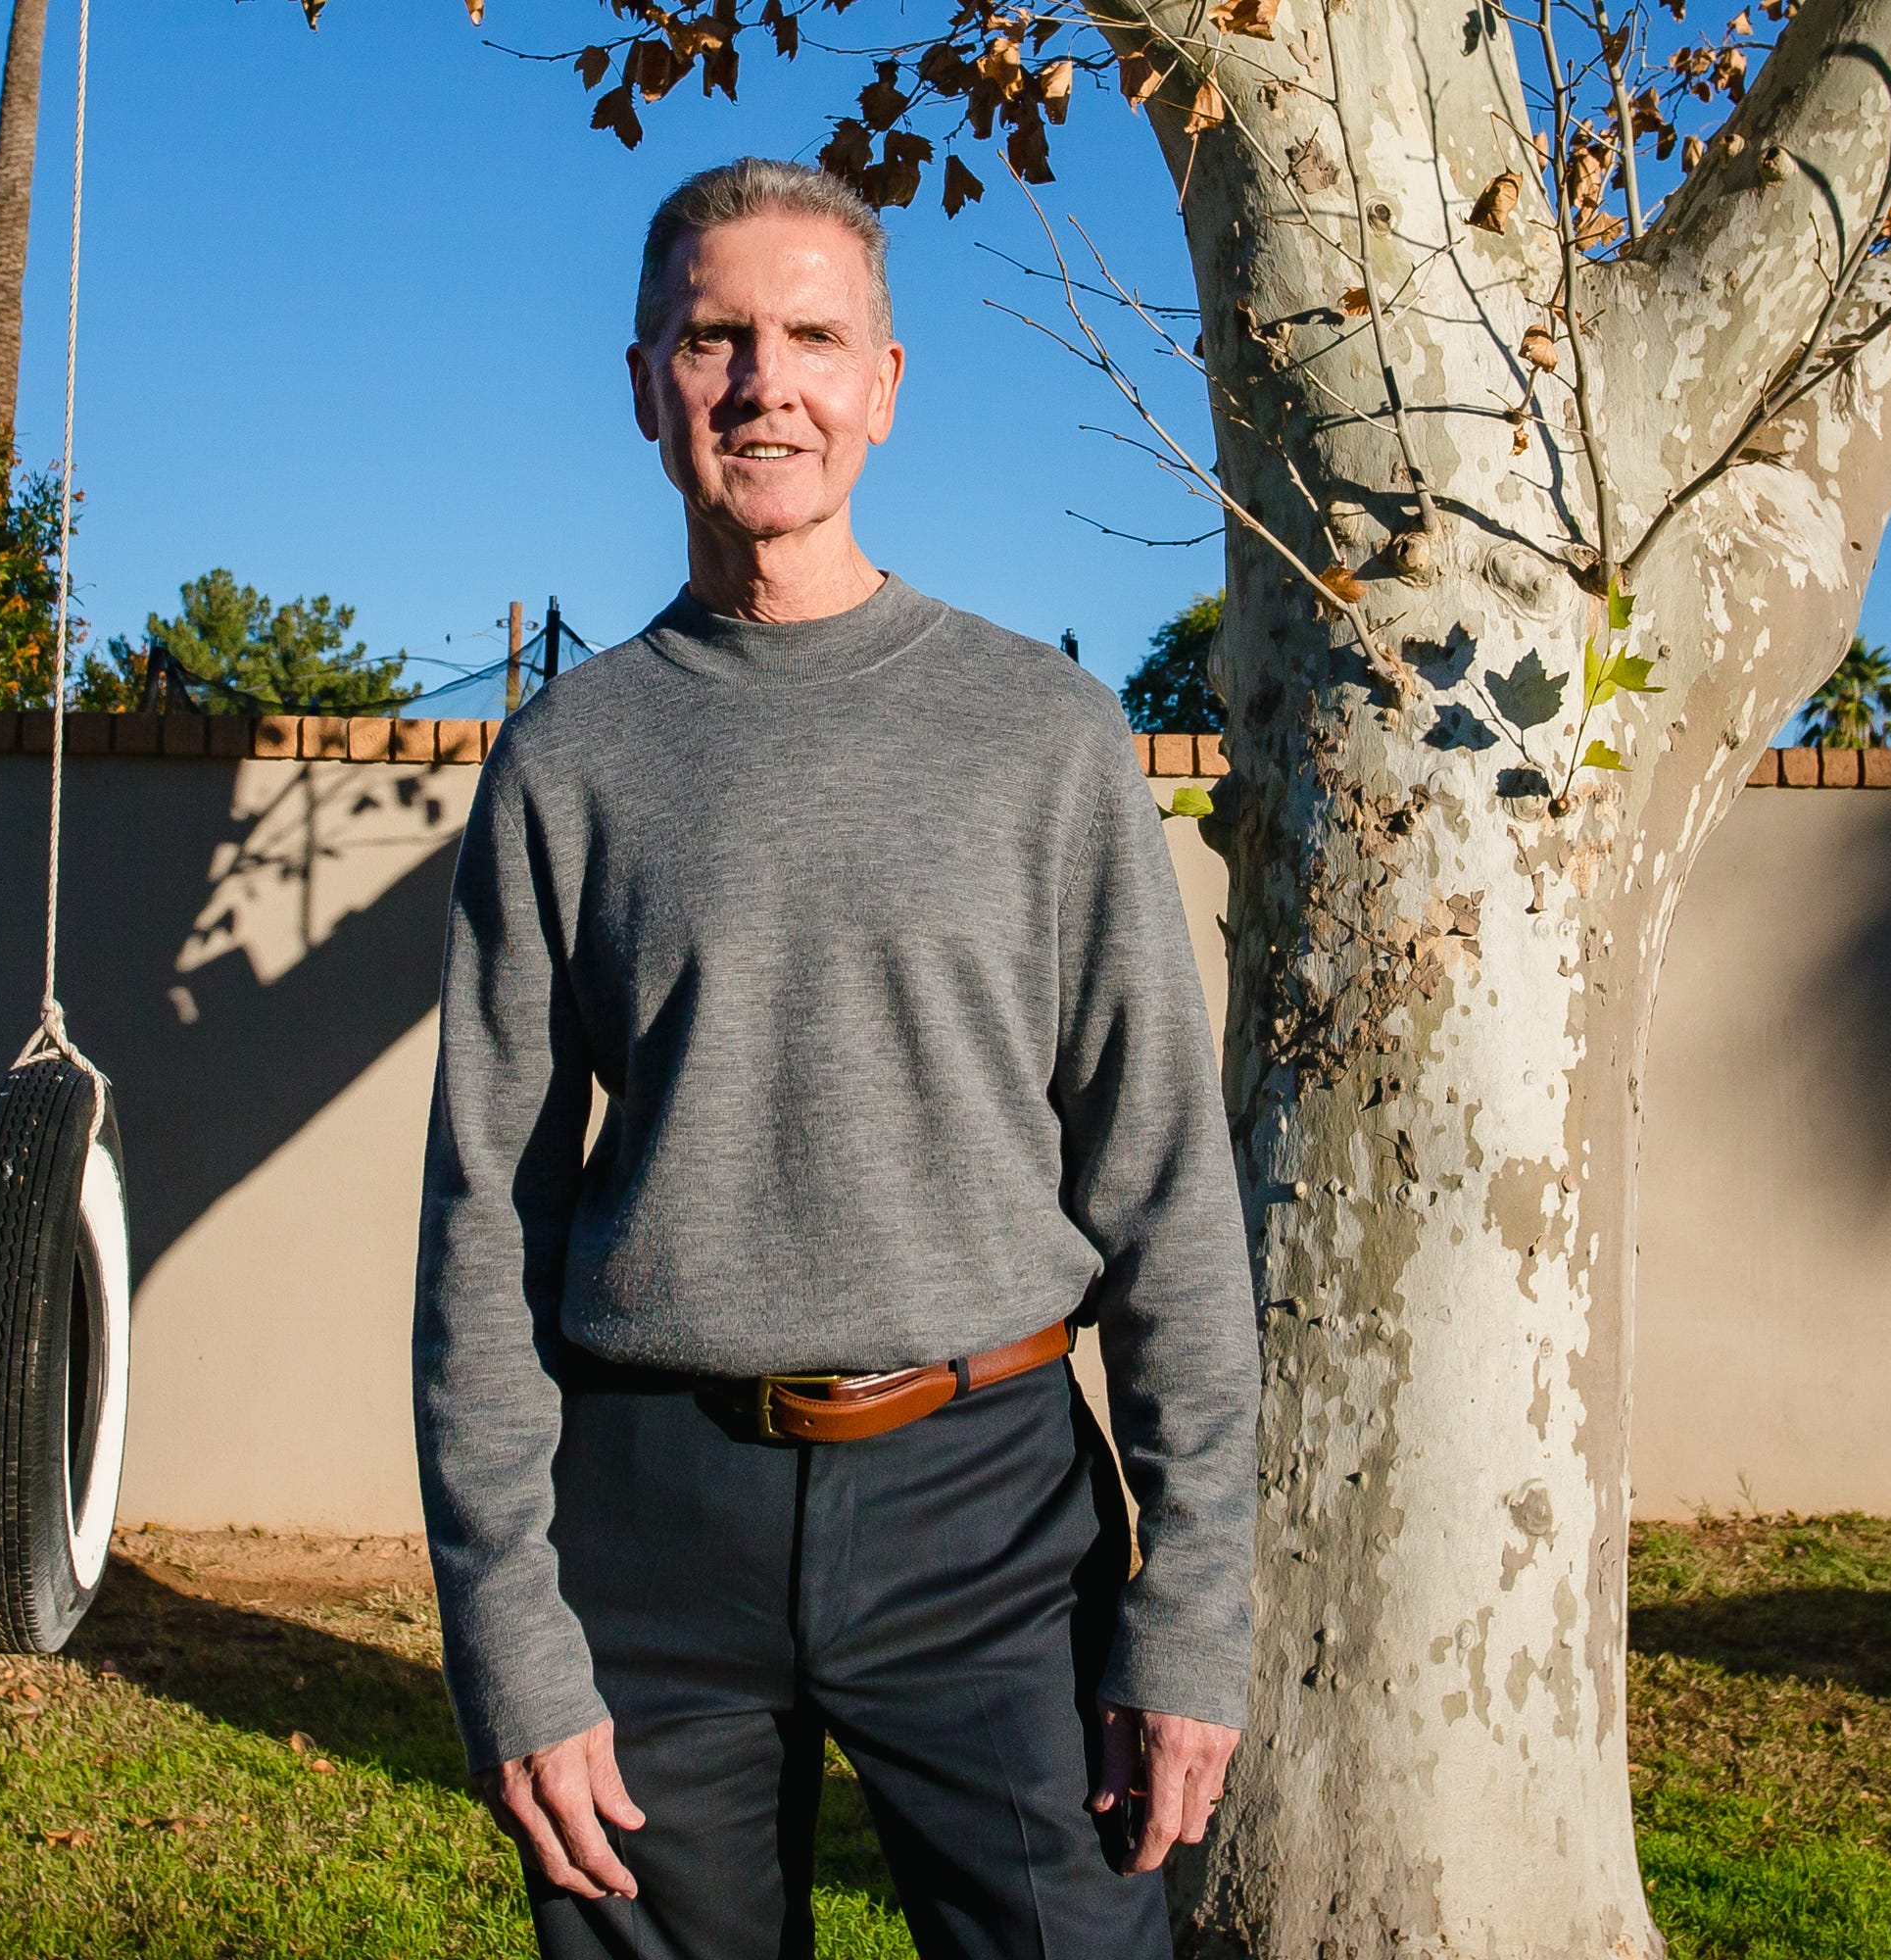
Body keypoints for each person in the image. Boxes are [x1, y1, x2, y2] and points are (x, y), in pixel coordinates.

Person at [412, 157, 1257, 1960]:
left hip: (991, 1512)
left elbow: (1168, 1187)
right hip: (649, 1524)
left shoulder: (1043, 733)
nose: (762, 384)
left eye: (812, 336)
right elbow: (488, 1218)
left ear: (884, 383)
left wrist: (1189, 1612)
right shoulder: (567, 760)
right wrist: (510, 1631)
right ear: (647, 383)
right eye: (715, 339)